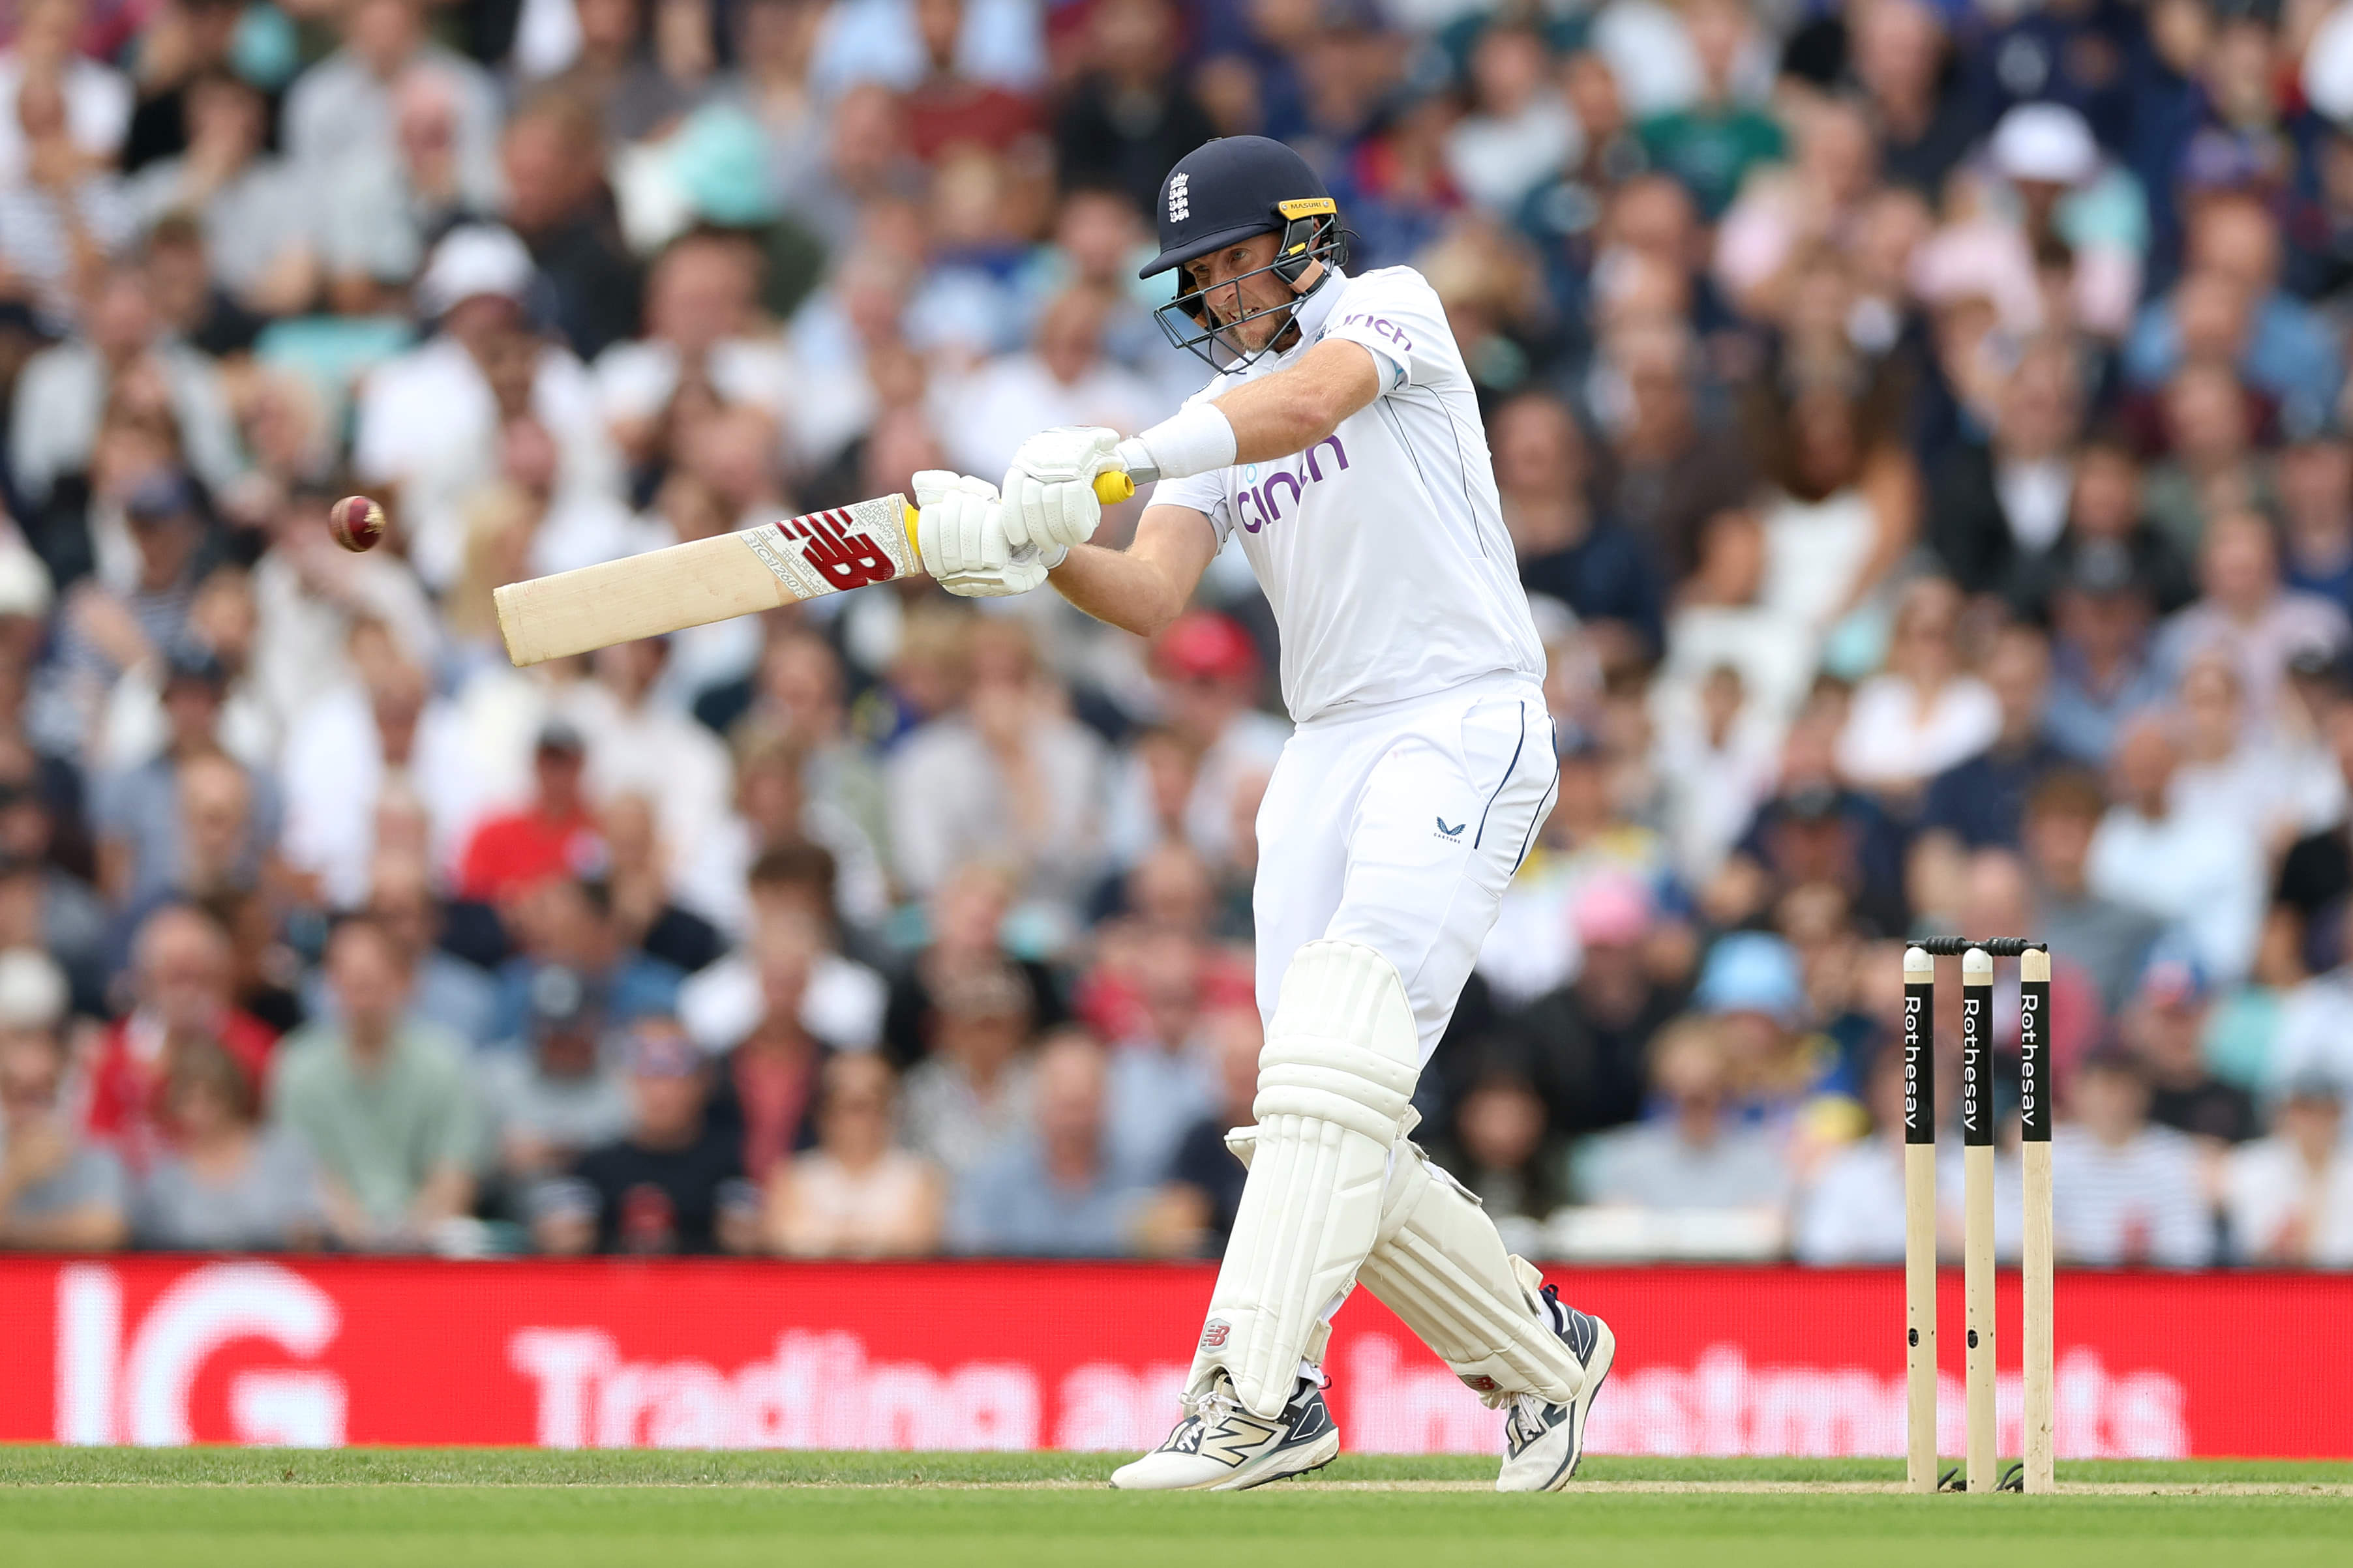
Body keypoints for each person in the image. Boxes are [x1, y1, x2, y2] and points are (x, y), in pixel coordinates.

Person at [909, 136, 1610, 1490]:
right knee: (1317, 1104)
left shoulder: (1389, 308)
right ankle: (1542, 1352)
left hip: (1458, 717)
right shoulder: (1217, 415)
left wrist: (1115, 458)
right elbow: (1147, 593)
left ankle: (1255, 1391)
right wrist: (1026, 546)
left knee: (1336, 1059)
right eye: (1199, 275)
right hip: (1326, 745)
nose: (1217, 293)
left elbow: (1308, 405)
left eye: (1233, 261)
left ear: (1299, 239)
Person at [270, 915, 480, 1250]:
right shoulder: (296, 1064)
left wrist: (409, 1239)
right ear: (330, 984)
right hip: (331, 1248)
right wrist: (361, 1239)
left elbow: (455, 1170)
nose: (364, 999)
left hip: (428, 1246)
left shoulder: (447, 1062)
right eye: (352, 984)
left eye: (373, 983)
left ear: (404, 981)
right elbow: (303, 1173)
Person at [535, 1018, 759, 1256]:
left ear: (703, 1081)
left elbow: (747, 1239)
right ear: (625, 1080)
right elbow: (558, 1240)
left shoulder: (729, 1164)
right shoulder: (591, 1166)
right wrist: (565, 1233)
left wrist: (745, 1231)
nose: (660, 1090)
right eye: (647, 1071)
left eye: (674, 1073)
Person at [132, 1039, 327, 1251]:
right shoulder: (166, 1177)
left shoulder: (282, 1151)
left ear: (233, 1095)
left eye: (212, 1098)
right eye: (189, 1100)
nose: (200, 1111)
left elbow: (312, 1226)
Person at [0, 954, 127, 1250]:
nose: (31, 1110)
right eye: (20, 1093)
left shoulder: (90, 1143)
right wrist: (15, 1175)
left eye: (41, 1094)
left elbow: (107, 1231)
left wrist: (10, 1233)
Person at [763, 1052, 942, 1257]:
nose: (859, 1116)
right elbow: (782, 1241)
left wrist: (827, 1240)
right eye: (847, 1103)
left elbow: (917, 1243)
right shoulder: (791, 1177)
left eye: (871, 1102)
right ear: (823, 1110)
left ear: (891, 1108)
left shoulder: (921, 1178)